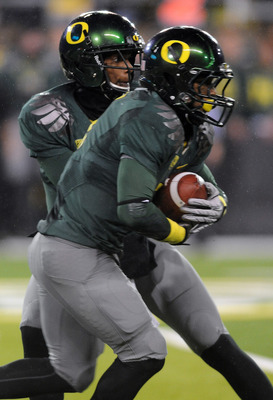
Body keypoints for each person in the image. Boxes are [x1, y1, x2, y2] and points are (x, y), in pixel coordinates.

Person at [2, 22, 271, 400]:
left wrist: (214, 200)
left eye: (133, 57)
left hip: (142, 234)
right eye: (117, 58)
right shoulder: (53, 111)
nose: (130, 67)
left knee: (213, 338)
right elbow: (78, 187)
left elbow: (191, 172)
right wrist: (164, 216)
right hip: (79, 238)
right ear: (86, 64)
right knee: (62, 372)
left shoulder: (159, 107)